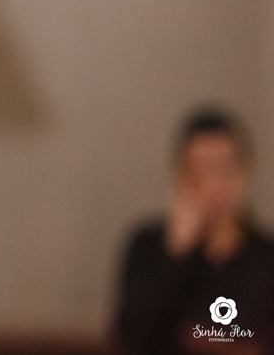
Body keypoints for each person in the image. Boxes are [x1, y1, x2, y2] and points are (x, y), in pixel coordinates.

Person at [115, 108, 274, 354]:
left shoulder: (266, 258)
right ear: (179, 174)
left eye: (224, 168)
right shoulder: (149, 247)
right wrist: (175, 252)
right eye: (200, 170)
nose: (213, 184)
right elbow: (131, 338)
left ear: (245, 171)